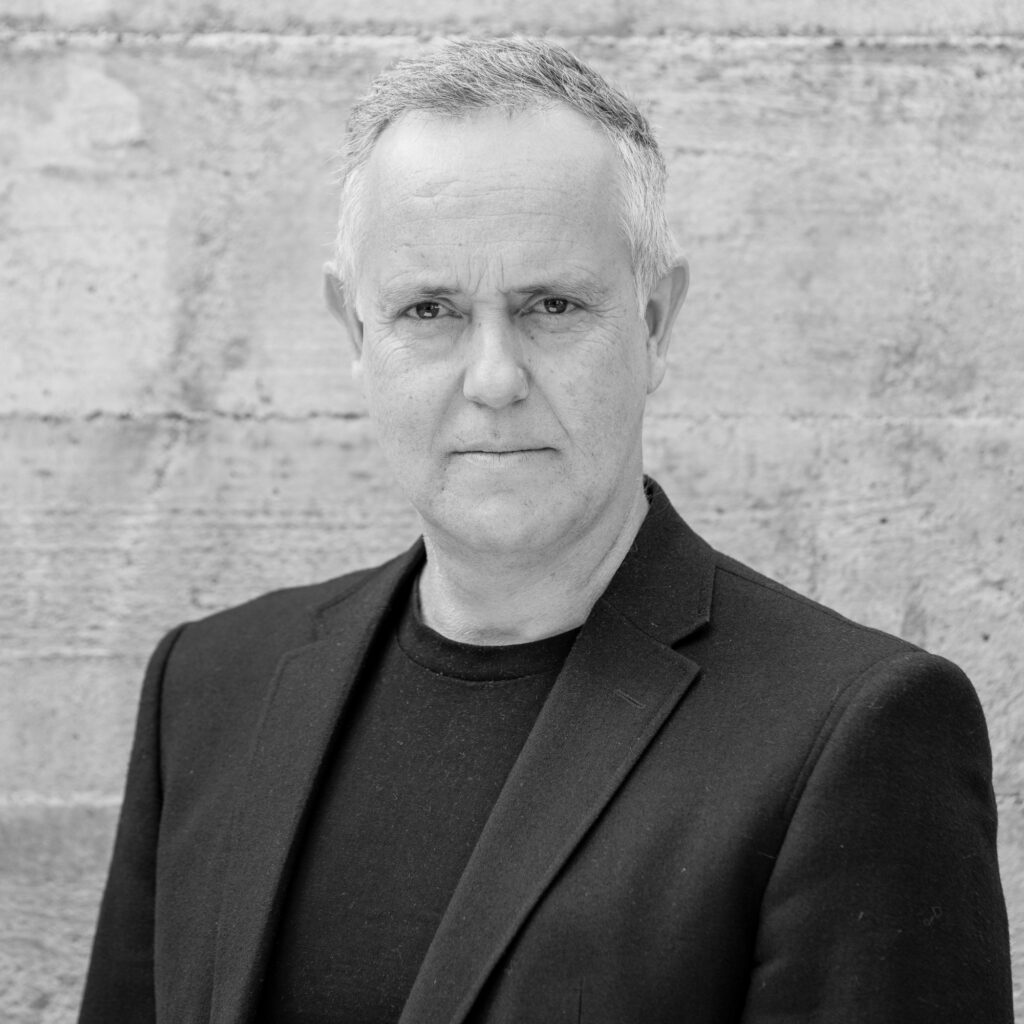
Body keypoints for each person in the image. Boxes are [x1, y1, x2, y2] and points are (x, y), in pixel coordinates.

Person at [79, 38, 1012, 1024]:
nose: (494, 378)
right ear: (354, 330)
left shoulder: (858, 732)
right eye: (429, 310)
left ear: (655, 322)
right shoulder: (209, 688)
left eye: (552, 306)